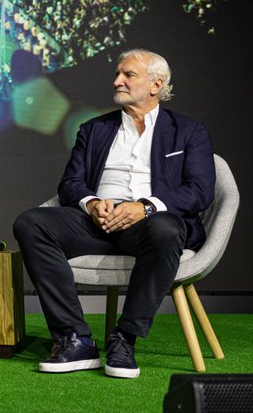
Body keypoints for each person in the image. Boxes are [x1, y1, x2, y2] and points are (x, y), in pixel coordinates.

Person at [13, 49, 215, 379]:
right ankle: (74, 338)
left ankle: (125, 338)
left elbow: (200, 190)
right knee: (31, 222)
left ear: (156, 84)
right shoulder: (94, 129)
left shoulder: (188, 130)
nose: (117, 80)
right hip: (97, 225)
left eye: (128, 75)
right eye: (118, 73)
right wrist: (92, 203)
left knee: (166, 228)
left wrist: (145, 206)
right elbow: (71, 182)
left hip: (150, 227)